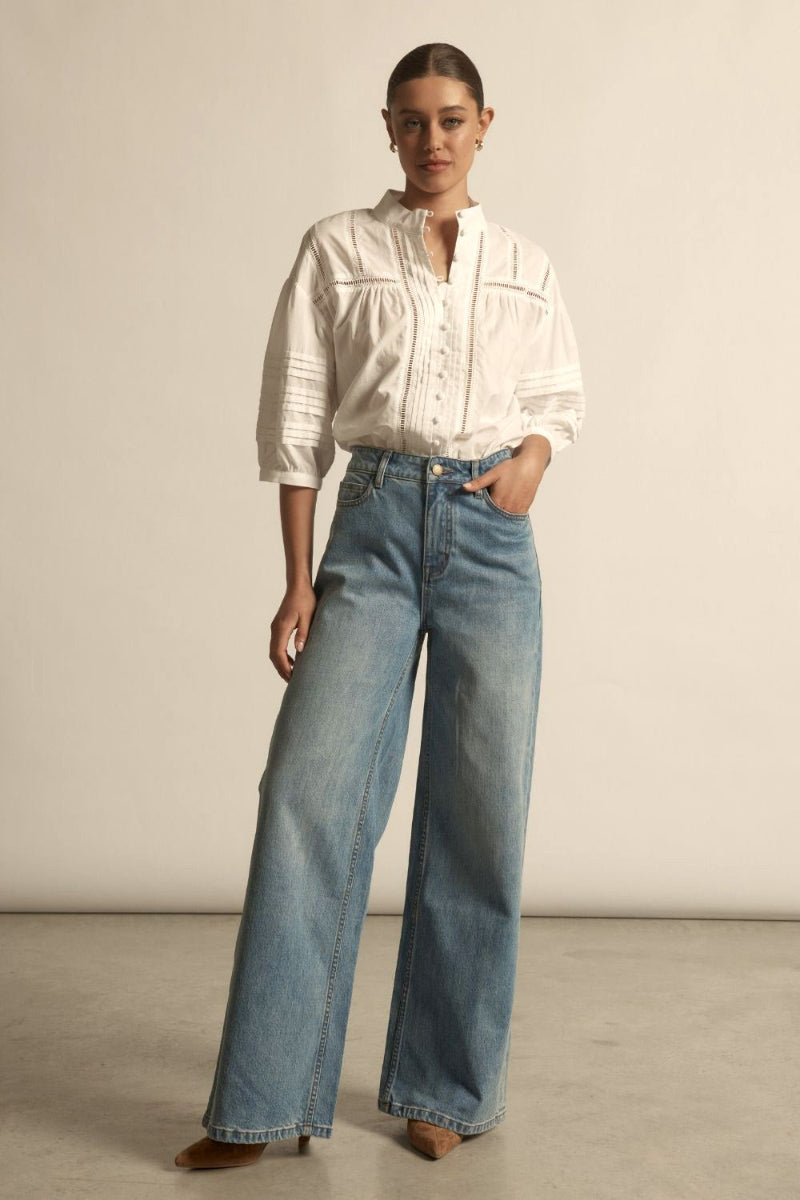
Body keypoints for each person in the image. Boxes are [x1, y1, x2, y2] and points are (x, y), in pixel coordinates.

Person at [175, 40, 585, 1170]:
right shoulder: (337, 249)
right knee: (305, 794)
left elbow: (558, 397)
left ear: (484, 124)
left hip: (491, 540)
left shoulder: (525, 264)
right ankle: (262, 1102)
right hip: (372, 524)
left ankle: (443, 1089)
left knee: (479, 813)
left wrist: (532, 461)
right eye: (412, 120)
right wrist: (297, 577)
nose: (432, 139)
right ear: (388, 128)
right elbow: (297, 418)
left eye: (452, 119)